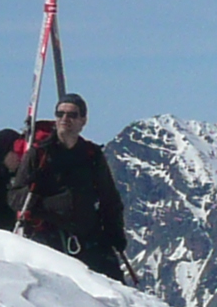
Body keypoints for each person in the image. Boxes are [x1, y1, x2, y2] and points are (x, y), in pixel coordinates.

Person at [11, 93, 130, 280]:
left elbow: (109, 198)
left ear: (83, 120)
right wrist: (40, 201)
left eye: (72, 115)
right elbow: (14, 195)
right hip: (48, 238)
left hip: (88, 237)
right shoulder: (39, 154)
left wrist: (114, 233)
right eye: (60, 114)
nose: (65, 119)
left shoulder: (92, 155)